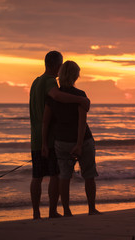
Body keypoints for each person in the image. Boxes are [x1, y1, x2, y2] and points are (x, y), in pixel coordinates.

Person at [29, 51, 90, 219]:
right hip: (49, 138)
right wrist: (80, 100)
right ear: (57, 65)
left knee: (37, 176)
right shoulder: (50, 81)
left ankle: (35, 213)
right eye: (61, 64)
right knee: (55, 175)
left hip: (35, 137)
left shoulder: (36, 81)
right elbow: (57, 96)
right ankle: (52, 211)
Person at [42, 61, 101, 216]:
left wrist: (43, 143)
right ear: (75, 76)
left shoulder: (53, 96)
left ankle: (67, 210)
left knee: (64, 176)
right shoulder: (80, 95)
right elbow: (82, 122)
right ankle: (91, 208)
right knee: (89, 175)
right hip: (83, 141)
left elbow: (46, 122)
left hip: (61, 141)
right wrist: (79, 144)